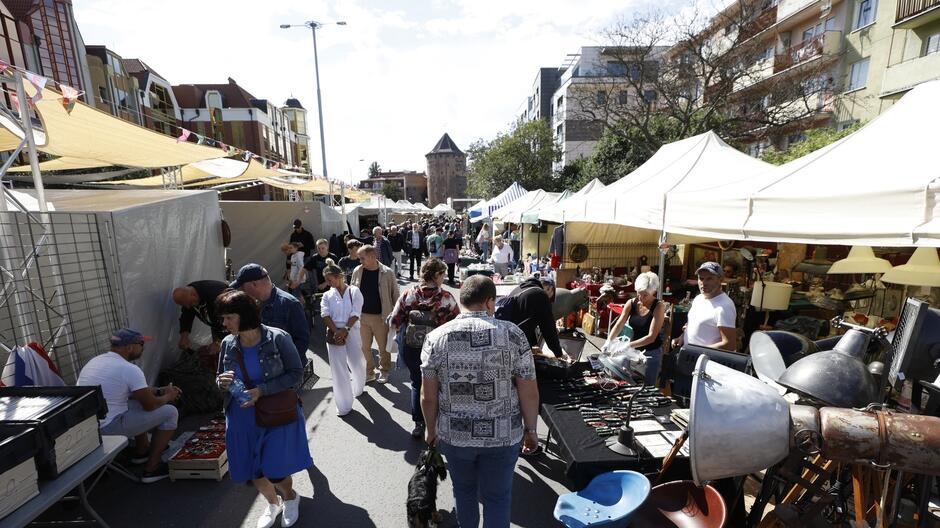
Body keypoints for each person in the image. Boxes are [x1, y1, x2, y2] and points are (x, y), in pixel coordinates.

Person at [420, 275, 539, 528]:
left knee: (463, 493)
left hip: (455, 436)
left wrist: (431, 429)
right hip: (503, 436)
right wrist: (531, 430)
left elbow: (428, 396)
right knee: (497, 498)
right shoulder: (514, 335)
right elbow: (528, 391)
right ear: (489, 302)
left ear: (462, 300)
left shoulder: (436, 338)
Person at [215, 290, 311, 528]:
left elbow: (296, 373)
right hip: (240, 416)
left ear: (245, 315)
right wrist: (221, 382)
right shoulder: (228, 343)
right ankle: (272, 503)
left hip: (276, 412)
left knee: (276, 468)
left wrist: (261, 390)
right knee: (254, 470)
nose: (224, 323)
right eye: (223, 318)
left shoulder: (278, 338)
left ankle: (290, 497)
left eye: (229, 317)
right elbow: (219, 376)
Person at [77, 328, 181, 483]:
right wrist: (168, 396)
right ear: (130, 347)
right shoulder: (130, 369)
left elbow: (133, 393)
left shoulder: (96, 361)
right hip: (108, 427)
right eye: (141, 344)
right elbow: (150, 405)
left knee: (132, 402)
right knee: (171, 412)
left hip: (88, 426)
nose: (143, 347)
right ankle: (152, 468)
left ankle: (142, 452)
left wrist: (159, 390)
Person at [388, 258, 460, 438]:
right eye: (442, 274)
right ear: (436, 275)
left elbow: (394, 320)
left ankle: (419, 424)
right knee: (439, 385)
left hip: (412, 347)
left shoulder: (408, 295)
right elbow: (458, 323)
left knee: (416, 383)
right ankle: (436, 424)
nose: (443, 278)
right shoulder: (445, 298)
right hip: (438, 349)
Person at [232, 264, 310, 368]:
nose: (241, 291)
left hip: (286, 373)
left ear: (254, 284)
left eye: (242, 287)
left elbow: (302, 341)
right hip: (263, 370)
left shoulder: (290, 304)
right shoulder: (251, 304)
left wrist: (282, 365)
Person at [320, 260, 367, 416]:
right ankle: (344, 405)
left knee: (357, 363)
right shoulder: (327, 295)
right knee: (338, 369)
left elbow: (356, 313)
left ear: (339, 276)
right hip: (334, 333)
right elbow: (325, 314)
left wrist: (345, 330)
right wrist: (336, 332)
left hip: (352, 330)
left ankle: (359, 387)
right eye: (326, 280)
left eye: (329, 279)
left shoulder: (354, 291)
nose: (327, 283)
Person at [605, 272, 666, 385]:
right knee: (627, 383)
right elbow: (619, 324)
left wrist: (628, 345)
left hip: (650, 353)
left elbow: (651, 337)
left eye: (645, 295)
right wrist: (609, 341)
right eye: (639, 294)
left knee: (646, 388)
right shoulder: (631, 303)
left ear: (653, 292)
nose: (641, 298)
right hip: (633, 351)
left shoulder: (658, 306)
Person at [351, 244, 400, 384]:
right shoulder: (357, 271)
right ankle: (369, 372)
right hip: (361, 317)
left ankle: (384, 371)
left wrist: (398, 316)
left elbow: (395, 295)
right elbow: (352, 293)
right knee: (364, 347)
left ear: (373, 257)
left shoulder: (387, 272)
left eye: (362, 258)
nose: (360, 261)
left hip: (381, 317)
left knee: (383, 347)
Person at [671, 262, 737, 351]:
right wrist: (682, 337)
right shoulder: (698, 298)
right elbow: (696, 326)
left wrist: (697, 352)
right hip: (688, 357)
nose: (703, 283)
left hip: (706, 361)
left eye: (709, 279)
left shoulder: (725, 306)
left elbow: (729, 345)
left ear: (720, 280)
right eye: (701, 278)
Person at [503, 276, 565, 359]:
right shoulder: (540, 294)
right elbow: (548, 329)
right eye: (550, 297)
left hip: (504, 341)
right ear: (549, 289)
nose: (549, 300)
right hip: (515, 349)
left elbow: (524, 319)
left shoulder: (520, 289)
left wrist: (530, 348)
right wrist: (559, 354)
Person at [172, 280, 229, 353]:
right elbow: (186, 316)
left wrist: (219, 342)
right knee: (217, 353)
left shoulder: (216, 294)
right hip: (217, 326)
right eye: (184, 305)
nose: (188, 307)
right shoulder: (188, 296)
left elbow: (230, 319)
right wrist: (184, 336)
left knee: (229, 351)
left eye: (189, 303)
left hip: (232, 326)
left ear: (194, 295)